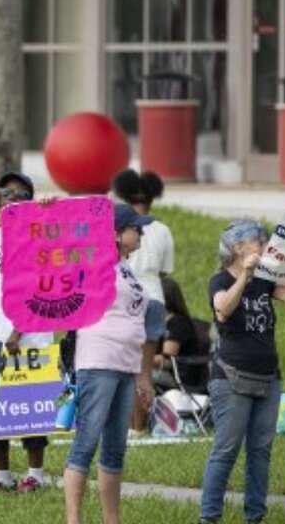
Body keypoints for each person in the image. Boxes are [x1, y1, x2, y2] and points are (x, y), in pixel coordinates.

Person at [199, 220, 285, 524]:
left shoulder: (265, 278)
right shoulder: (220, 280)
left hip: (269, 377)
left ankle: (255, 517)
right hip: (231, 378)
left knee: (261, 450)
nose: (264, 243)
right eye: (257, 239)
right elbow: (223, 309)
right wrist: (245, 276)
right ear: (238, 248)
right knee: (225, 450)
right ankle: (209, 517)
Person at [63, 203, 155, 524]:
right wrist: (44, 210)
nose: (141, 232)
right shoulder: (92, 262)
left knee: (115, 448)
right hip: (99, 360)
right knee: (86, 443)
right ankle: (73, 519)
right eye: (136, 228)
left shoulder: (126, 268)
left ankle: (110, 520)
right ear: (116, 234)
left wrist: (143, 376)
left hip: (126, 365)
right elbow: (55, 252)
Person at [0, 172, 51, 492]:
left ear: (30, 201)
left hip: (28, 338)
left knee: (28, 410)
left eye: (20, 195)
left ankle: (35, 476)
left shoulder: (39, 237)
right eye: (6, 194)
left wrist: (18, 332)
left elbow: (41, 289)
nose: (11, 199)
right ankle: (2, 477)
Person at [112, 169, 174, 434]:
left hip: (123, 299)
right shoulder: (161, 229)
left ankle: (122, 426)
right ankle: (139, 428)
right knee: (144, 371)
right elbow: (166, 271)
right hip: (154, 298)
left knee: (120, 368)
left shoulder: (115, 226)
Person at [153, 276, 207, 389]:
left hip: (178, 377)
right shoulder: (161, 322)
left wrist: (140, 360)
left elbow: (167, 360)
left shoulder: (177, 323)